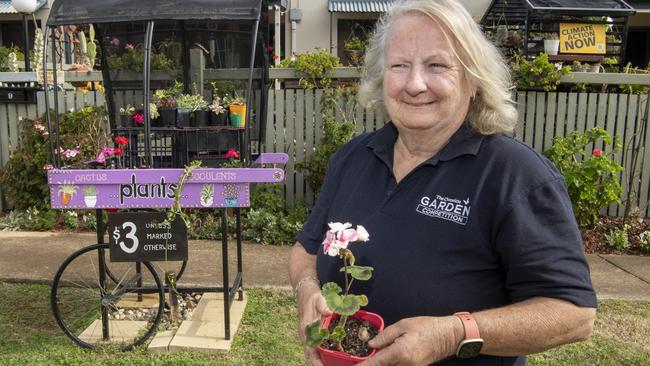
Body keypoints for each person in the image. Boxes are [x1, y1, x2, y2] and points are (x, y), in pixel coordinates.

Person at [288, 0, 597, 365]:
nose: (415, 84)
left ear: (472, 80)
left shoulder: (515, 175)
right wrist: (307, 290)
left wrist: (453, 334)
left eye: (436, 65)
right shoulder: (353, 158)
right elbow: (306, 250)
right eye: (399, 65)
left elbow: (574, 313)